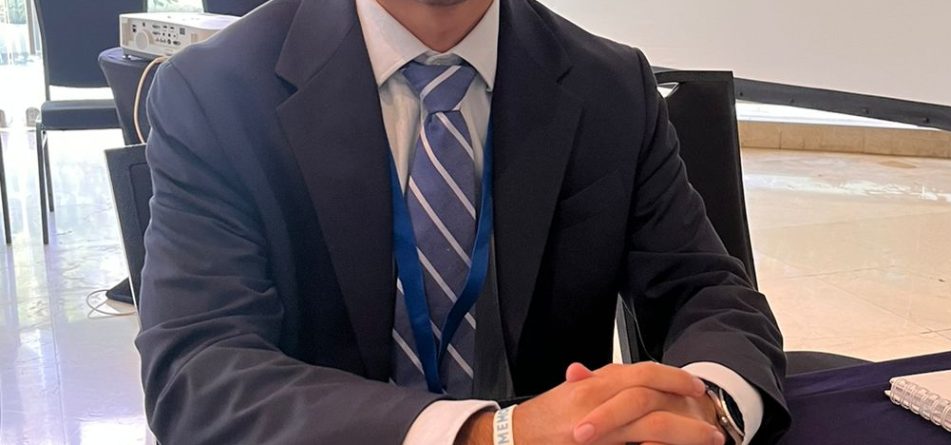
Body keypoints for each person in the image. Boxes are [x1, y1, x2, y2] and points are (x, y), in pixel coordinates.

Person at [135, 0, 789, 443]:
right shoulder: (217, 90)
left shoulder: (610, 85)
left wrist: (708, 403)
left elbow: (707, 290)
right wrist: (486, 434)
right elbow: (199, 368)